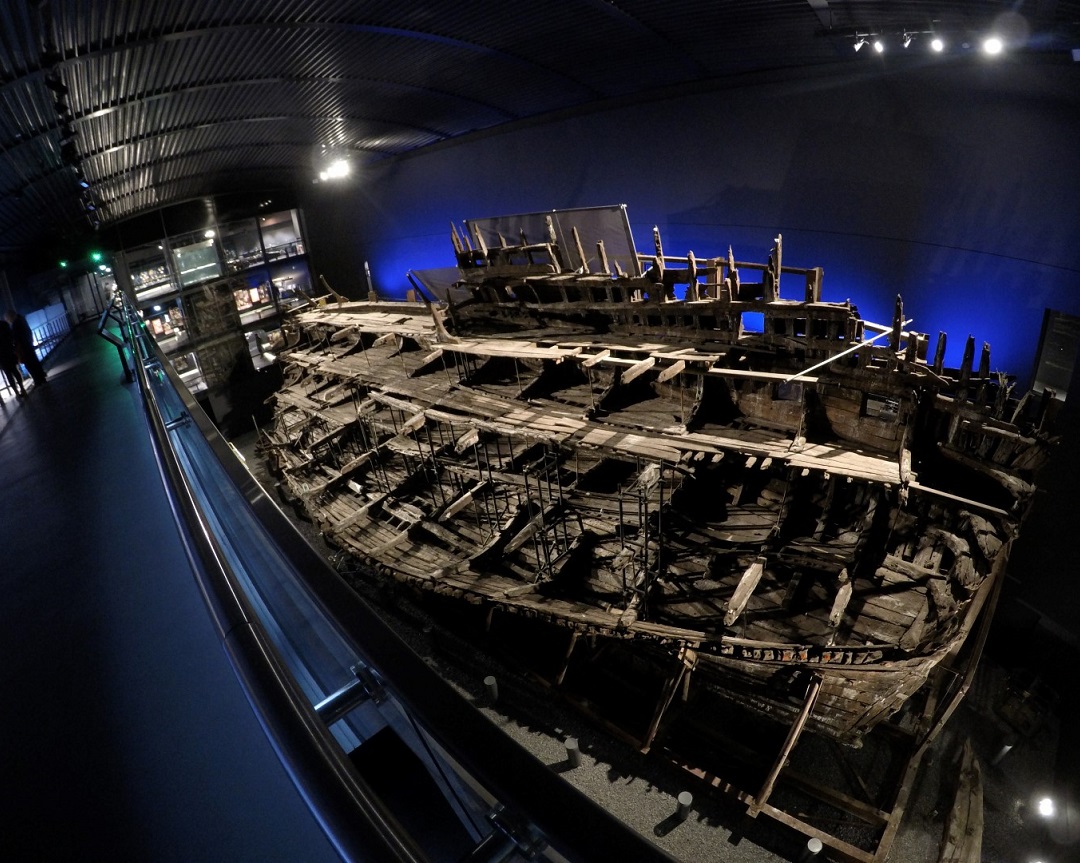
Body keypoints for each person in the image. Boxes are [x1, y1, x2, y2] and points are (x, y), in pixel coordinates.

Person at [5, 309, 46, 386]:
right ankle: (41, 378)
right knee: (34, 362)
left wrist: (15, 346)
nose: (8, 321)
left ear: (10, 316)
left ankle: (38, 381)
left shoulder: (16, 324)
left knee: (30, 365)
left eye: (7, 319)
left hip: (24, 348)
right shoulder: (21, 320)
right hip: (28, 345)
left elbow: (16, 337)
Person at [0, 319, 26, 398]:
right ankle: (22, 388)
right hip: (10, 352)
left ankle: (16, 392)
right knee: (15, 370)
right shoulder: (4, 324)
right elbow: (12, 336)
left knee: (8, 374)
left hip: (1, 356)